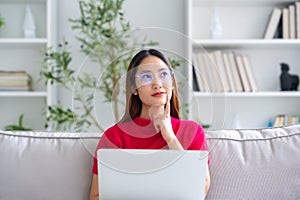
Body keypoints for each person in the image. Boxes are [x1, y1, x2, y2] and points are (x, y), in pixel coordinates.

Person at [89, 49, 211, 200]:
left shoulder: (192, 131)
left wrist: (170, 137)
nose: (157, 84)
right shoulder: (114, 136)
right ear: (134, 88)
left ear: (172, 83)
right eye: (146, 77)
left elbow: (199, 188)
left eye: (163, 75)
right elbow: (96, 196)